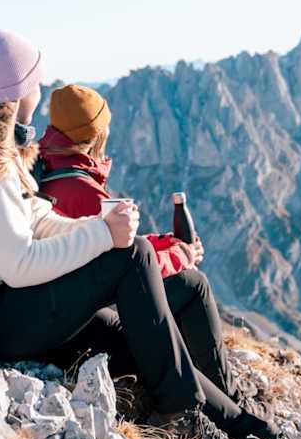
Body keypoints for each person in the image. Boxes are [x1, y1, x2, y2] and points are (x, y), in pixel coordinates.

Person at [0, 27, 301, 439]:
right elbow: (19, 264)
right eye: (34, 83)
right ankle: (182, 414)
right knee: (132, 256)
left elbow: (34, 220)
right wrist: (105, 238)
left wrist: (98, 227)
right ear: (16, 90)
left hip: (0, 309)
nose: (38, 92)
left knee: (135, 339)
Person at [38, 83, 236, 400]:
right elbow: (130, 265)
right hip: (85, 325)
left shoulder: (43, 167)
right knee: (193, 286)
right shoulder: (82, 191)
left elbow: (115, 246)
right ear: (96, 134)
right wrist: (182, 255)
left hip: (57, 311)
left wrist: (167, 243)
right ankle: (228, 397)